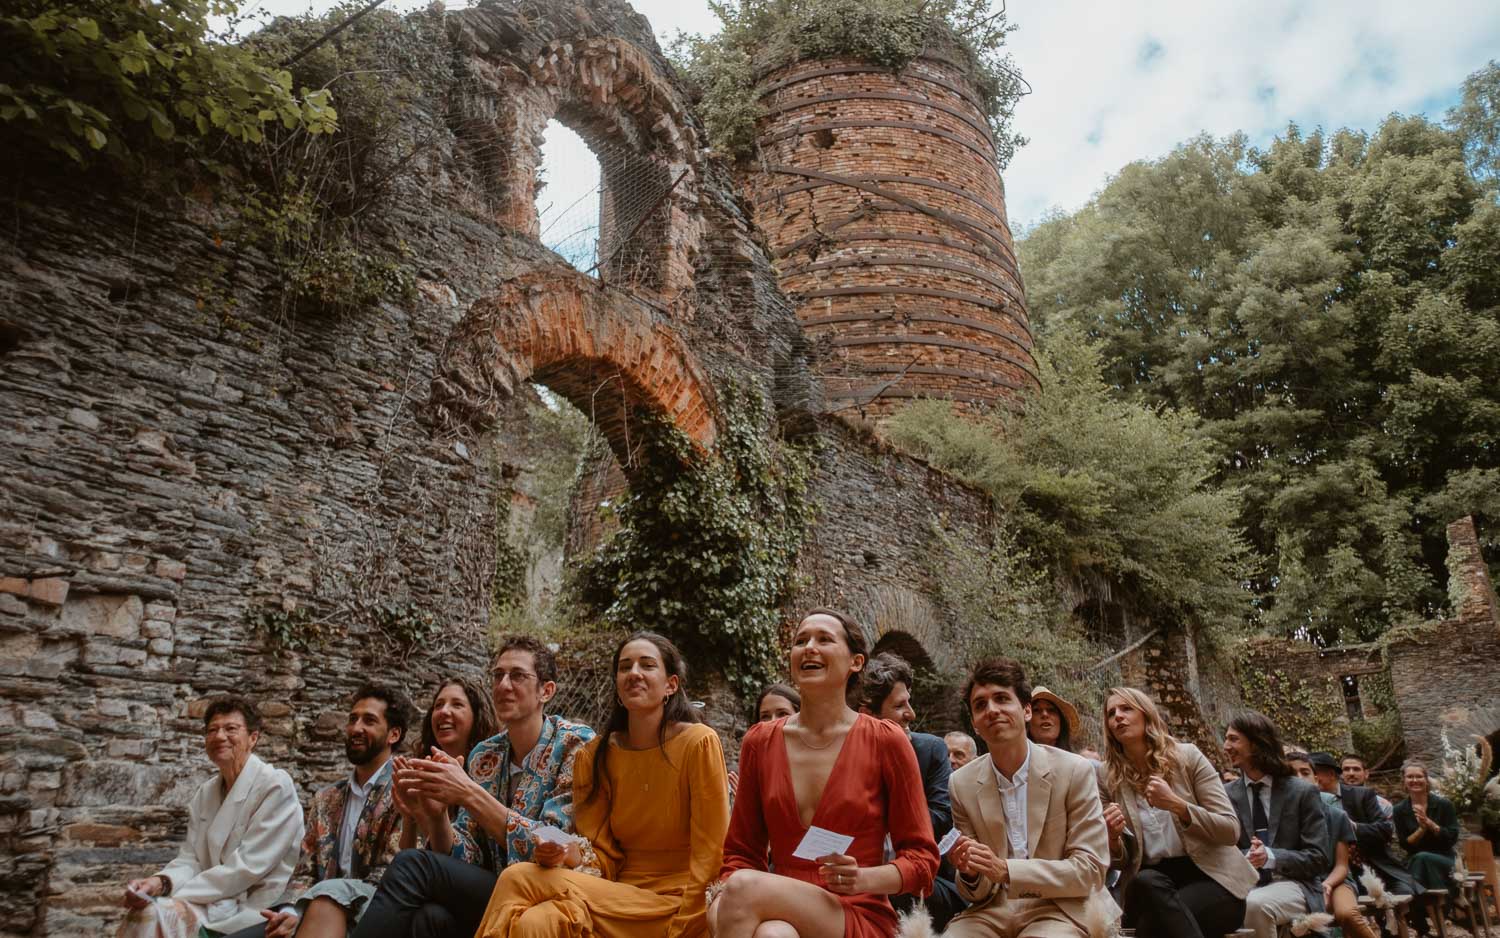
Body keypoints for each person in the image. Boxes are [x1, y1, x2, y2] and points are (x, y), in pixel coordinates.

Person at [473, 631, 731, 938]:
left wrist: (686, 927)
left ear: (670, 685)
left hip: (678, 903)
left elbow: (711, 853)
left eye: (646, 665)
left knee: (516, 877)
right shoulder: (595, 755)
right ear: (618, 689)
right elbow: (601, 858)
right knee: (536, 922)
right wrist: (562, 852)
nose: (634, 673)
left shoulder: (699, 743)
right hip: (614, 896)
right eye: (625, 667)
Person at [710, 608, 939, 938]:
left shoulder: (886, 740)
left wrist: (864, 877)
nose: (808, 647)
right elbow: (741, 853)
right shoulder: (759, 742)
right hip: (775, 905)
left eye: (824, 639)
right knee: (774, 934)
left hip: (857, 909)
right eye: (800, 640)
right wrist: (724, 901)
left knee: (744, 889)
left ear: (855, 662)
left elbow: (922, 862)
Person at [350, 637, 594, 938]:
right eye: (498, 675)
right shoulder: (484, 755)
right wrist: (436, 816)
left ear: (546, 690)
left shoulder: (576, 744)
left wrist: (468, 792)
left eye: (517, 675)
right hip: (496, 890)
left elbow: (551, 843)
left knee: (411, 864)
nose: (503, 685)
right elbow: (470, 857)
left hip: (548, 890)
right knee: (430, 918)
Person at [940, 658, 1112, 938]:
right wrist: (970, 872)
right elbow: (975, 889)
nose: (992, 710)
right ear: (975, 724)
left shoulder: (1074, 771)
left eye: (1001, 699)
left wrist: (1006, 870)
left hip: (1061, 907)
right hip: (990, 912)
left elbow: (1090, 870)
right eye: (980, 705)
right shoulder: (961, 783)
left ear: (1026, 710)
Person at [225, 685, 414, 938]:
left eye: (369, 721)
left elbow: (392, 872)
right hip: (315, 909)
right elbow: (306, 869)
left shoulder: (406, 790)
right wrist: (293, 910)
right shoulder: (326, 798)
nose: (356, 728)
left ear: (393, 734)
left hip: (372, 915)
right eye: (352, 719)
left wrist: (322, 900)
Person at [116, 697, 303, 938]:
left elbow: (247, 868)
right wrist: (159, 883)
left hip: (255, 907)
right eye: (212, 730)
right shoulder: (205, 794)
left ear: (253, 738)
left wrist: (175, 895)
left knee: (155, 913)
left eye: (231, 729)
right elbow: (191, 860)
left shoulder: (274, 785)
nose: (219, 736)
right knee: (147, 912)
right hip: (210, 900)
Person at [1102, 687, 1255, 938]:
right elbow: (1119, 861)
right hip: (1148, 886)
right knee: (1146, 881)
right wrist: (1111, 837)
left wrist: (1177, 805)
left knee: (1151, 928)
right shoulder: (1106, 777)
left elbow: (1229, 830)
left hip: (1212, 879)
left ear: (1146, 715)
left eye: (1126, 708)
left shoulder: (1188, 757)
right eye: (1111, 713)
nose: (1118, 716)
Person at [856, 652, 964, 930]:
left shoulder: (931, 750)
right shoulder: (844, 756)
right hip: (856, 874)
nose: (911, 714)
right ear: (868, 714)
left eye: (910, 702)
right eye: (900, 705)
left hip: (923, 881)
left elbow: (940, 818)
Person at [1222, 711, 1328, 938]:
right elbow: (1223, 852)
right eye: (1226, 738)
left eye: (1233, 739)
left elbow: (1318, 858)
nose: (1225, 746)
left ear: (1257, 743)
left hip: (1296, 884)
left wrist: (1270, 857)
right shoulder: (1225, 794)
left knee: (1256, 904)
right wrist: (1246, 856)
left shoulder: (1302, 792)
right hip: (1245, 884)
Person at [394, 676, 501, 850]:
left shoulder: (494, 773)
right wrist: (411, 815)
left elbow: (460, 858)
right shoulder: (423, 770)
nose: (444, 711)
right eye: (438, 705)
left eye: (457, 704)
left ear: (478, 715)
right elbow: (412, 856)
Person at [1289, 753, 1377, 938]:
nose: (1298, 778)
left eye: (1304, 772)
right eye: (1291, 773)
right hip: (1300, 884)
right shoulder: (1282, 818)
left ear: (1316, 779)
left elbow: (1342, 865)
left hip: (1336, 881)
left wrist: (1327, 885)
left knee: (1347, 914)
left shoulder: (1337, 816)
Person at [1308, 751, 1415, 900]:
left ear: (1331, 774)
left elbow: (1385, 830)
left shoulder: (1362, 795)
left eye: (1311, 773)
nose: (1305, 779)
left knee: (1405, 893)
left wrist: (1354, 827)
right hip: (1336, 872)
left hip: (1374, 865)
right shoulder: (1307, 801)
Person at [1393, 761, 1460, 936]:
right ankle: (1439, 929)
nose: (1414, 780)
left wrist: (1430, 824)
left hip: (1443, 858)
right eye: (1410, 776)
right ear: (1404, 781)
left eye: (1419, 776)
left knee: (1422, 859)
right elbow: (1405, 844)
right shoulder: (1400, 810)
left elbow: (1451, 838)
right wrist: (1421, 830)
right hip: (1414, 860)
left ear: (1426, 779)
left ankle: (1420, 923)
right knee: (1419, 859)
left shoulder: (1443, 805)